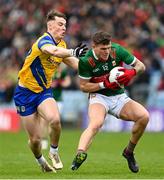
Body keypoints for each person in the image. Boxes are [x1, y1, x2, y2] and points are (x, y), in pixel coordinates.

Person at [13, 10, 87, 173]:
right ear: (50, 25)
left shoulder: (62, 45)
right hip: (24, 94)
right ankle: (41, 162)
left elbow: (74, 63)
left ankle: (54, 152)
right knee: (35, 139)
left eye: (65, 25)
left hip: (43, 92)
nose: (64, 28)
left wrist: (92, 67)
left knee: (54, 120)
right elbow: (52, 51)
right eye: (60, 24)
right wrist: (73, 51)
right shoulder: (43, 42)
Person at [71, 31, 149, 173]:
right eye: (103, 49)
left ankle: (129, 152)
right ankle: (80, 153)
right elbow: (84, 86)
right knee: (96, 123)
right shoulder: (86, 61)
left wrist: (131, 72)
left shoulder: (117, 50)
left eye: (108, 48)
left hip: (119, 96)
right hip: (98, 96)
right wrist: (104, 84)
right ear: (94, 46)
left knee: (144, 116)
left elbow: (141, 66)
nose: (107, 51)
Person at [41, 64, 71, 150]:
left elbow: (68, 82)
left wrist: (60, 83)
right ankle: (44, 140)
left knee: (54, 122)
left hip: (58, 100)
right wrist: (50, 84)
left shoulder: (62, 72)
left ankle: (52, 142)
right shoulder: (47, 70)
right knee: (44, 120)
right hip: (46, 99)